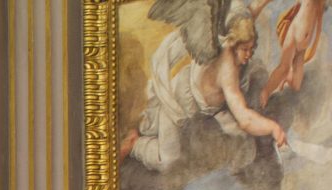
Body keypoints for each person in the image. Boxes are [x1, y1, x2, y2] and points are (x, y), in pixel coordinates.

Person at [121, 6, 287, 171]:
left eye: (251, 49)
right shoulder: (227, 69)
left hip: (209, 111)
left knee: (243, 144)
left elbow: (250, 12)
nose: (249, 54)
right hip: (175, 107)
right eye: (245, 49)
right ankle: (135, 144)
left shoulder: (232, 34)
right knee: (168, 160)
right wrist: (274, 127)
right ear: (233, 45)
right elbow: (245, 119)